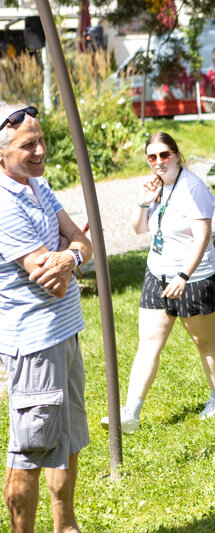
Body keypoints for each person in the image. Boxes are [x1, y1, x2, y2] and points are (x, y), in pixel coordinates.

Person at [0, 102, 93, 532]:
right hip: (34, 343)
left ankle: (65, 526)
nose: (40, 150)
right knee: (31, 450)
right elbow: (47, 278)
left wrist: (70, 254)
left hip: (65, 331)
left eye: (41, 140)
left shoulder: (37, 184)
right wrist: (70, 255)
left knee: (67, 440)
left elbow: (81, 242)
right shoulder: (3, 204)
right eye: (27, 145)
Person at [101, 132, 215, 434]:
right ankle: (131, 413)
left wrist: (184, 276)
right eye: (152, 157)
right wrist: (143, 203)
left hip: (194, 278)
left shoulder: (192, 188)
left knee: (204, 341)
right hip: (157, 275)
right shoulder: (156, 188)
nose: (158, 162)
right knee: (149, 343)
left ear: (176, 154)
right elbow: (140, 229)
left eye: (164, 155)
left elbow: (202, 237)